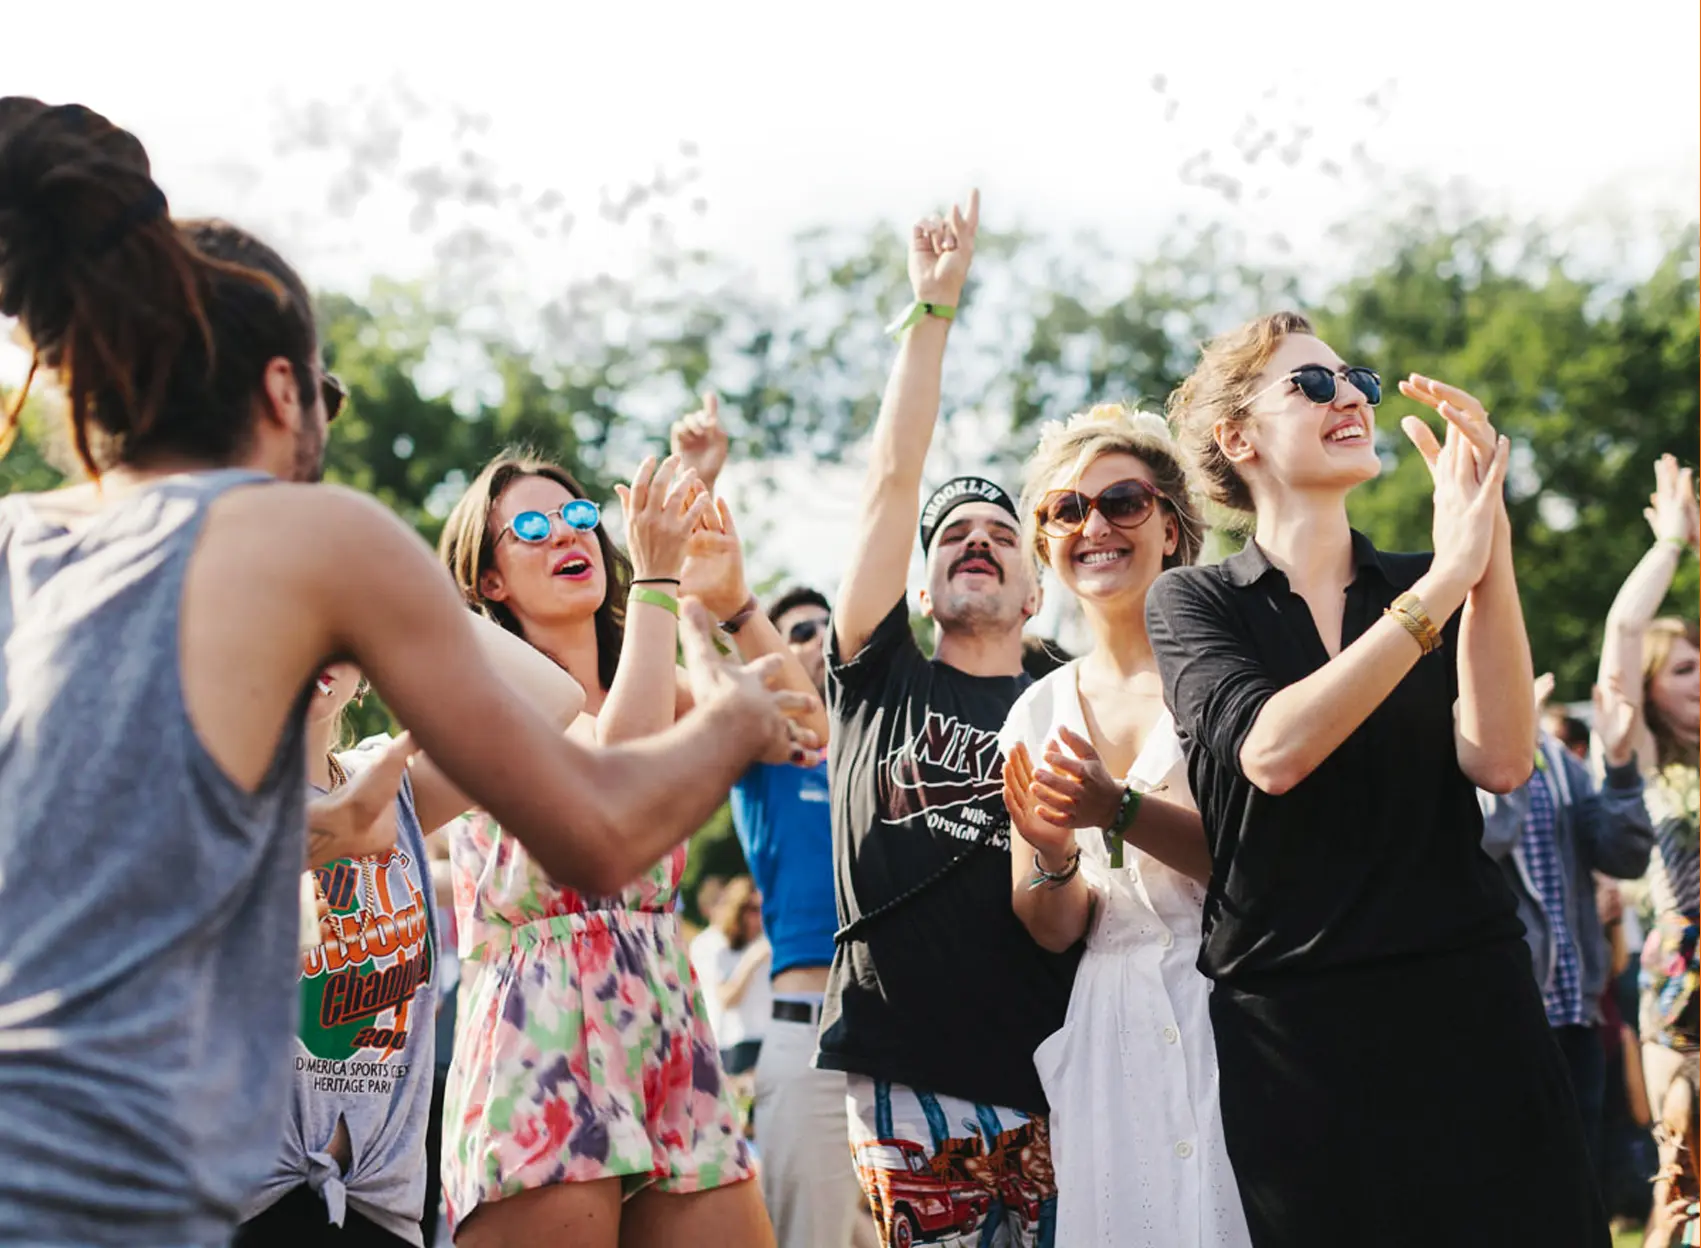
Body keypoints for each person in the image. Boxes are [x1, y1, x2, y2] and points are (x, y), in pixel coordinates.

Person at [0, 97, 813, 1248]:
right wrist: (737, 718)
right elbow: (594, 825)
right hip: (130, 1192)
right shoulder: (312, 535)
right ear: (283, 391)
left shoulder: (19, 542)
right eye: (323, 392)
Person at [1148, 310, 1608, 1244]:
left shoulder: (1423, 576)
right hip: (1297, 1030)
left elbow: (1500, 758)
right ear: (1237, 438)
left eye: (1351, 375)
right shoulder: (1192, 600)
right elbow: (1273, 755)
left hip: (1468, 996)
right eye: (1311, 384)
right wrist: (1445, 580)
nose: (1350, 394)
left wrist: (1488, 542)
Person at [434, 446, 826, 1248]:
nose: (565, 535)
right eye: (532, 527)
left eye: (579, 517)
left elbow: (805, 730)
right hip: (538, 1024)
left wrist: (723, 598)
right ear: (489, 581)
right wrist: (654, 584)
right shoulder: (488, 684)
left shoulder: (658, 683)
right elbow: (612, 778)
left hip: (665, 1018)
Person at [823, 191, 1076, 1248]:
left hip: (1064, 1071)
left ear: (1036, 589)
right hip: (909, 1067)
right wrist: (932, 316)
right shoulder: (881, 677)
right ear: (919, 592)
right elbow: (891, 484)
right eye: (952, 537)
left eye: (1000, 534)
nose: (976, 539)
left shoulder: (1077, 694)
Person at [997, 404, 1252, 1246]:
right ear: (1046, 546)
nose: (1092, 525)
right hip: (1113, 1024)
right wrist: (1050, 851)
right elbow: (1052, 926)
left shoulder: (1228, 674)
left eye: (1122, 502)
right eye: (1065, 511)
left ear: (1173, 529)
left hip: (1238, 1002)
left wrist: (1120, 810)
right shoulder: (1035, 712)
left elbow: (1265, 869)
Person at [670, 405, 877, 1248]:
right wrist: (703, 487)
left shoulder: (883, 748)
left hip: (908, 1044)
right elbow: (692, 626)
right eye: (792, 635)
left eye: (822, 634)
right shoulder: (765, 743)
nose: (811, 646)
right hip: (809, 1044)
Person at [1478, 671, 1653, 1172]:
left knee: (1584, 1179)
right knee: (1518, 1177)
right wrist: (1508, 746)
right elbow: (1487, 839)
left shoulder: (1559, 761)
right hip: (1508, 1010)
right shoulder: (1455, 750)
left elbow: (1624, 857)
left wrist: (1619, 763)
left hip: (1579, 1010)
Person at [1596, 455, 1700, 1126]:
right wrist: (1670, 545)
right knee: (1682, 1169)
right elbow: (1624, 631)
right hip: (1683, 968)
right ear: (1652, 687)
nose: (1699, 678)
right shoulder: (1642, 753)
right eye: (1685, 669)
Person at [690, 876, 774, 1079]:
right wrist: (752, 960)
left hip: (768, 1039)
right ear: (738, 910)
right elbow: (727, 999)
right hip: (733, 1043)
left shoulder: (766, 941)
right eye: (752, 910)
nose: (759, 917)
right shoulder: (710, 944)